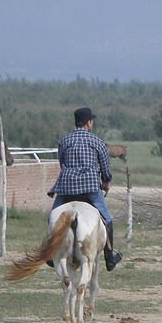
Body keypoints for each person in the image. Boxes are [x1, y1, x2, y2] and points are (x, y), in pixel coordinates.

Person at [48, 107, 122, 271]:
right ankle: (110, 258)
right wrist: (106, 182)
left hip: (66, 188)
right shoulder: (97, 142)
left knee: (52, 217)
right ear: (89, 123)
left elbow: (62, 163)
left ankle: (50, 253)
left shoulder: (64, 141)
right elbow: (105, 169)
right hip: (90, 188)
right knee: (107, 219)